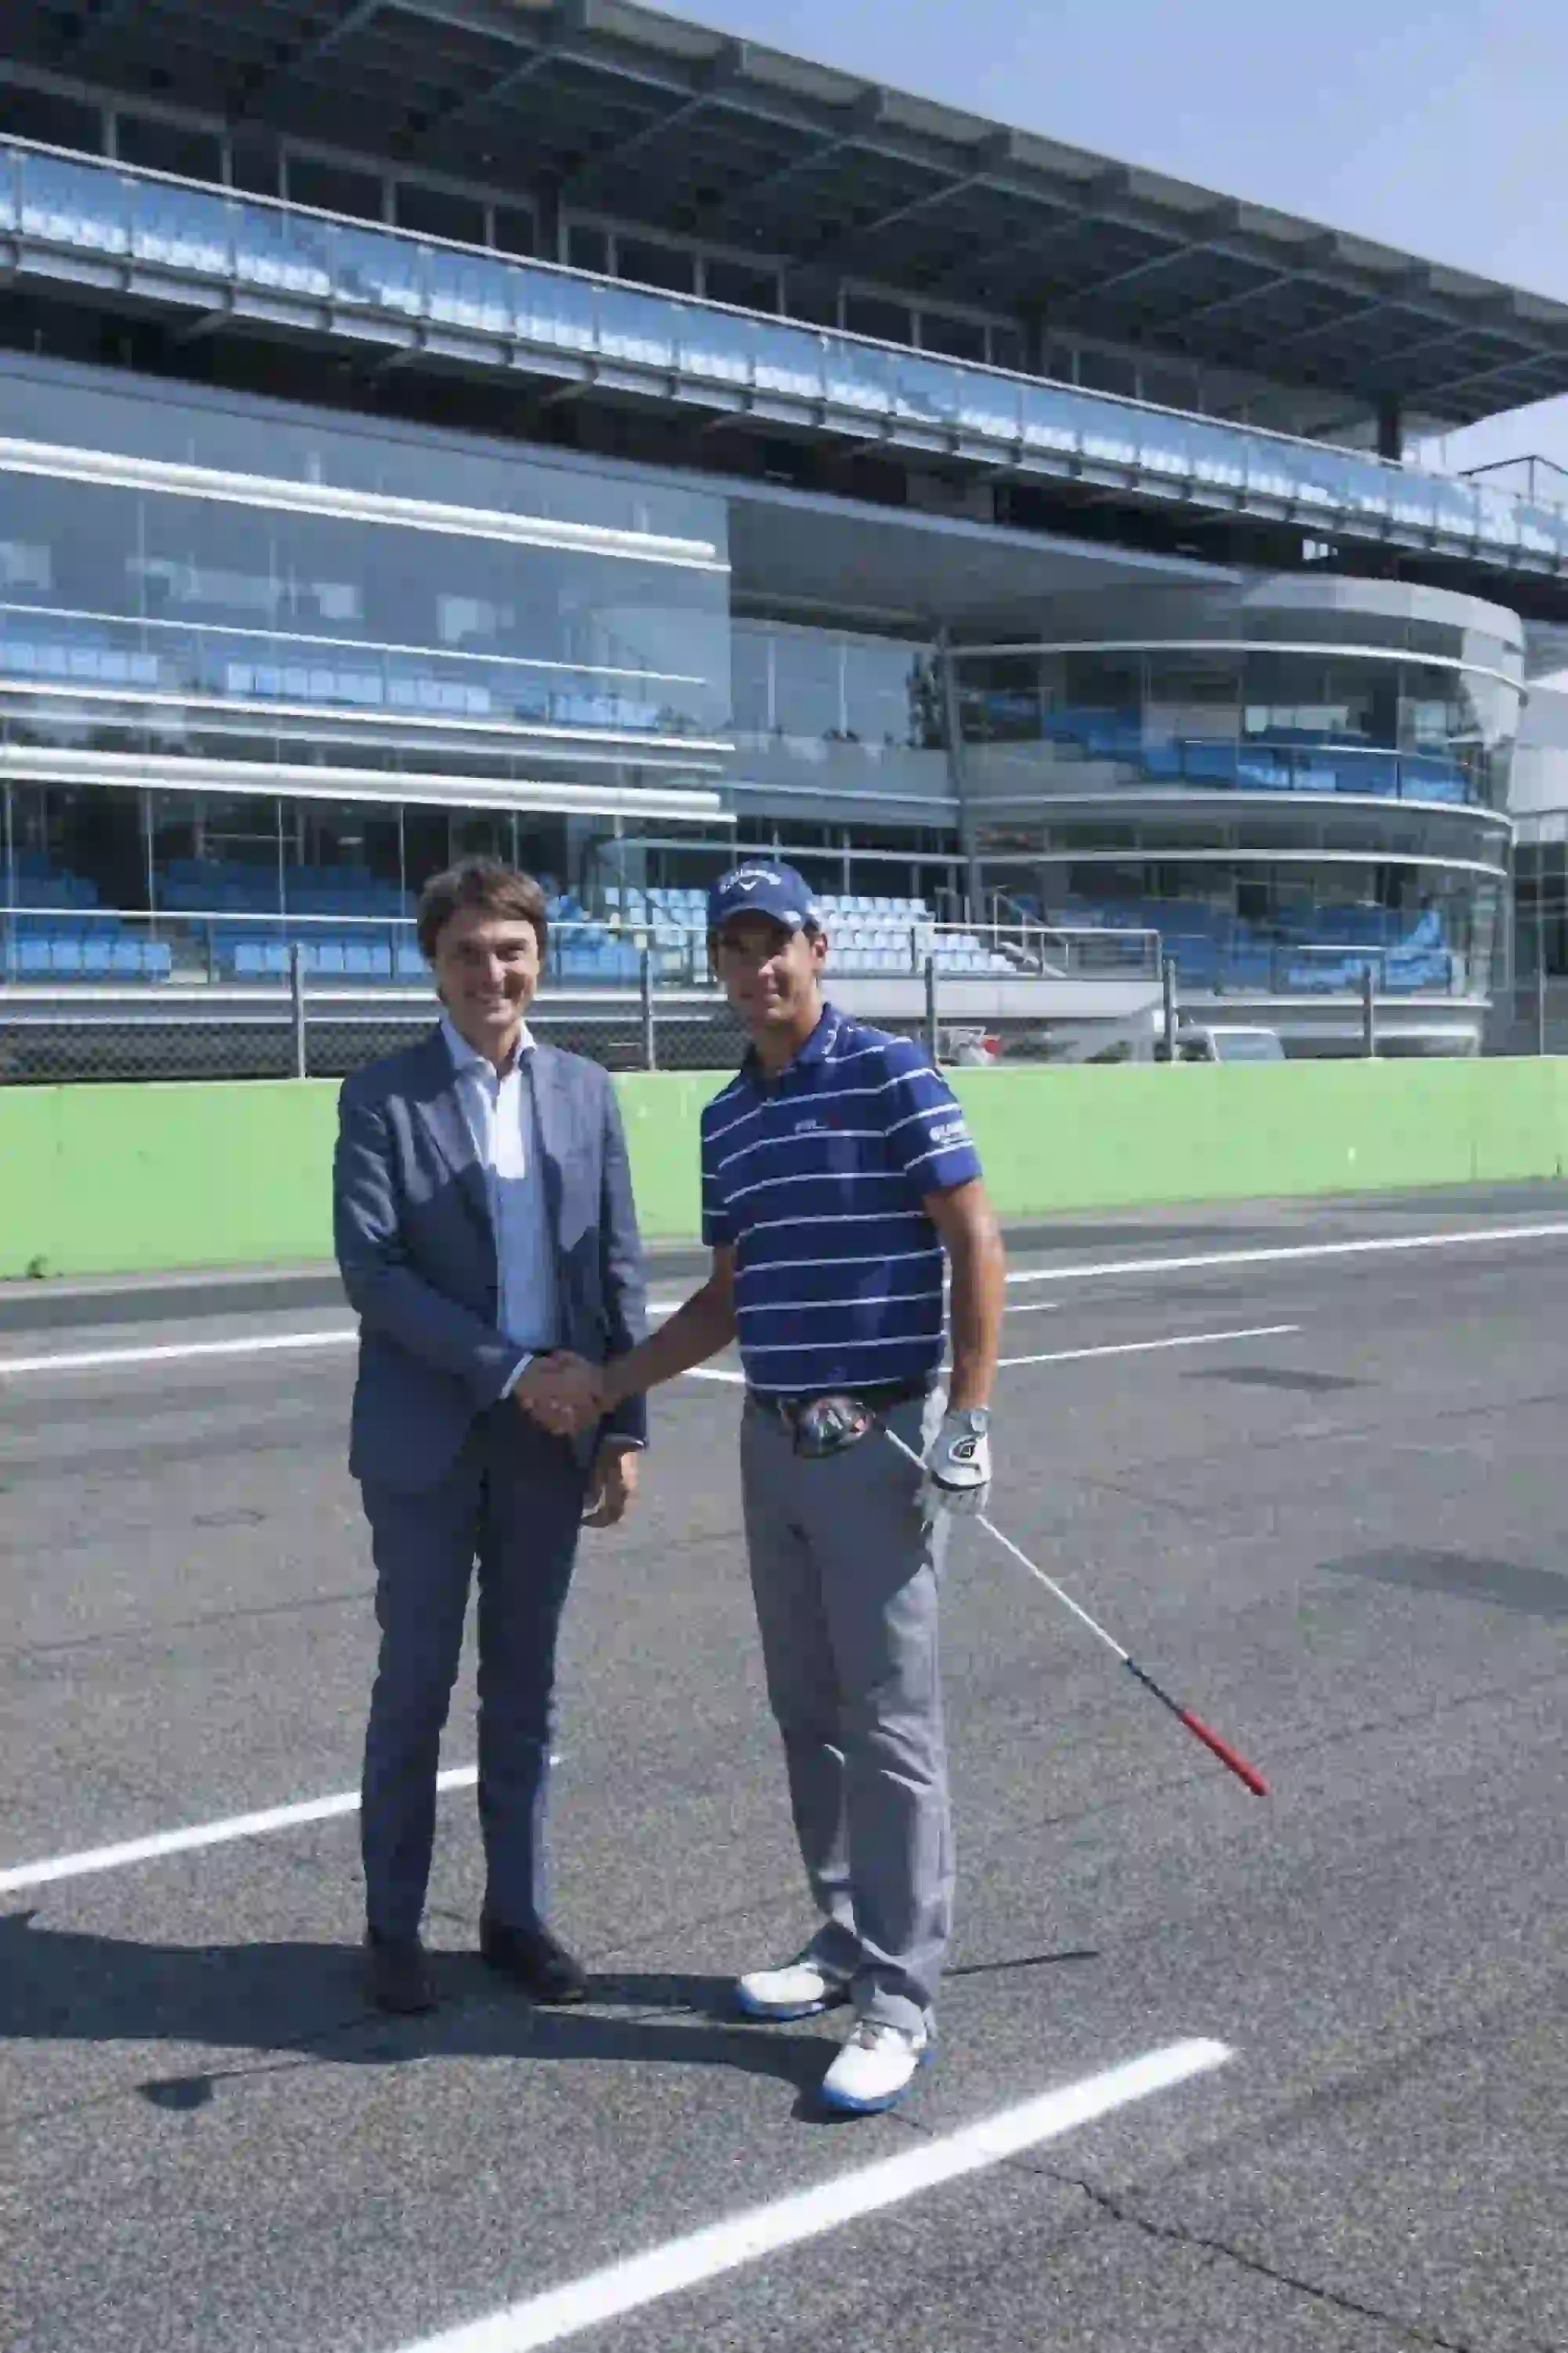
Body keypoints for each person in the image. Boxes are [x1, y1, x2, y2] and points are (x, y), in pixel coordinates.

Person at [546, 860, 1005, 2114]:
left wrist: (969, 1414)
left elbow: (974, 1236)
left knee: (892, 1721)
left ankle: (902, 1998)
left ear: (817, 947)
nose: (760, 968)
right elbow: (726, 1301)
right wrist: (610, 1383)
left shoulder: (892, 1072)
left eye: (778, 943)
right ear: (717, 965)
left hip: (884, 1437)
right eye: (735, 948)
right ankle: (848, 1933)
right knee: (806, 1707)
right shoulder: (726, 1120)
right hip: (774, 1437)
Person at [333, 857, 646, 2016]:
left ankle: (515, 1914)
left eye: (510, 950)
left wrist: (623, 1425)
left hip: (552, 1443)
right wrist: (512, 1371)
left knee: (526, 1690)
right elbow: (374, 1272)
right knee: (413, 1686)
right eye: (466, 952)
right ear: (435, 968)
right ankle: (393, 1927)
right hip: (429, 1440)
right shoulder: (381, 1098)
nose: (490, 971)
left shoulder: (586, 1092)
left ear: (540, 962)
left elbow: (617, 1269)